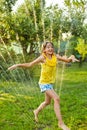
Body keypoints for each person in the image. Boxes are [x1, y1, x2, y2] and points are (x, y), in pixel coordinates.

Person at [8, 41, 79, 130]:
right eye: (48, 47)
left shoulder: (55, 56)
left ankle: (36, 111)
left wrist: (71, 57)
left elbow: (67, 60)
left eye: (51, 47)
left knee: (47, 102)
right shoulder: (42, 57)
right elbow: (30, 64)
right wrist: (17, 65)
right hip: (44, 83)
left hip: (50, 83)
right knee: (56, 98)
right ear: (44, 50)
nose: (50, 48)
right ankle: (61, 123)